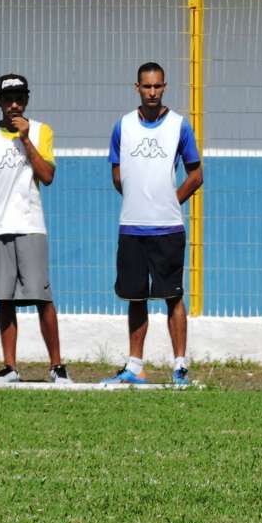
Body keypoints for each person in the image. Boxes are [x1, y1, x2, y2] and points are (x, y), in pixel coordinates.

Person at [102, 62, 202, 386]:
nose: (152, 92)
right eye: (147, 86)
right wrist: (136, 197)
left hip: (168, 228)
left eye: (158, 86)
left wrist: (171, 199)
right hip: (132, 227)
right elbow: (118, 174)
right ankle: (135, 366)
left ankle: (180, 366)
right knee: (135, 297)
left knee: (173, 295)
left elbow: (196, 174)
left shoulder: (179, 126)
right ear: (137, 88)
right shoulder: (123, 126)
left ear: (165, 86)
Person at [0, 74, 71, 384]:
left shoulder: (41, 131)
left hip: (30, 224)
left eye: (20, 98)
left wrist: (25, 139)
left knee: (42, 296)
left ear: (27, 99)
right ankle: (10, 367)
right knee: (5, 298)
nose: (15, 104)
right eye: (8, 98)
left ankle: (56, 366)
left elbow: (48, 176)